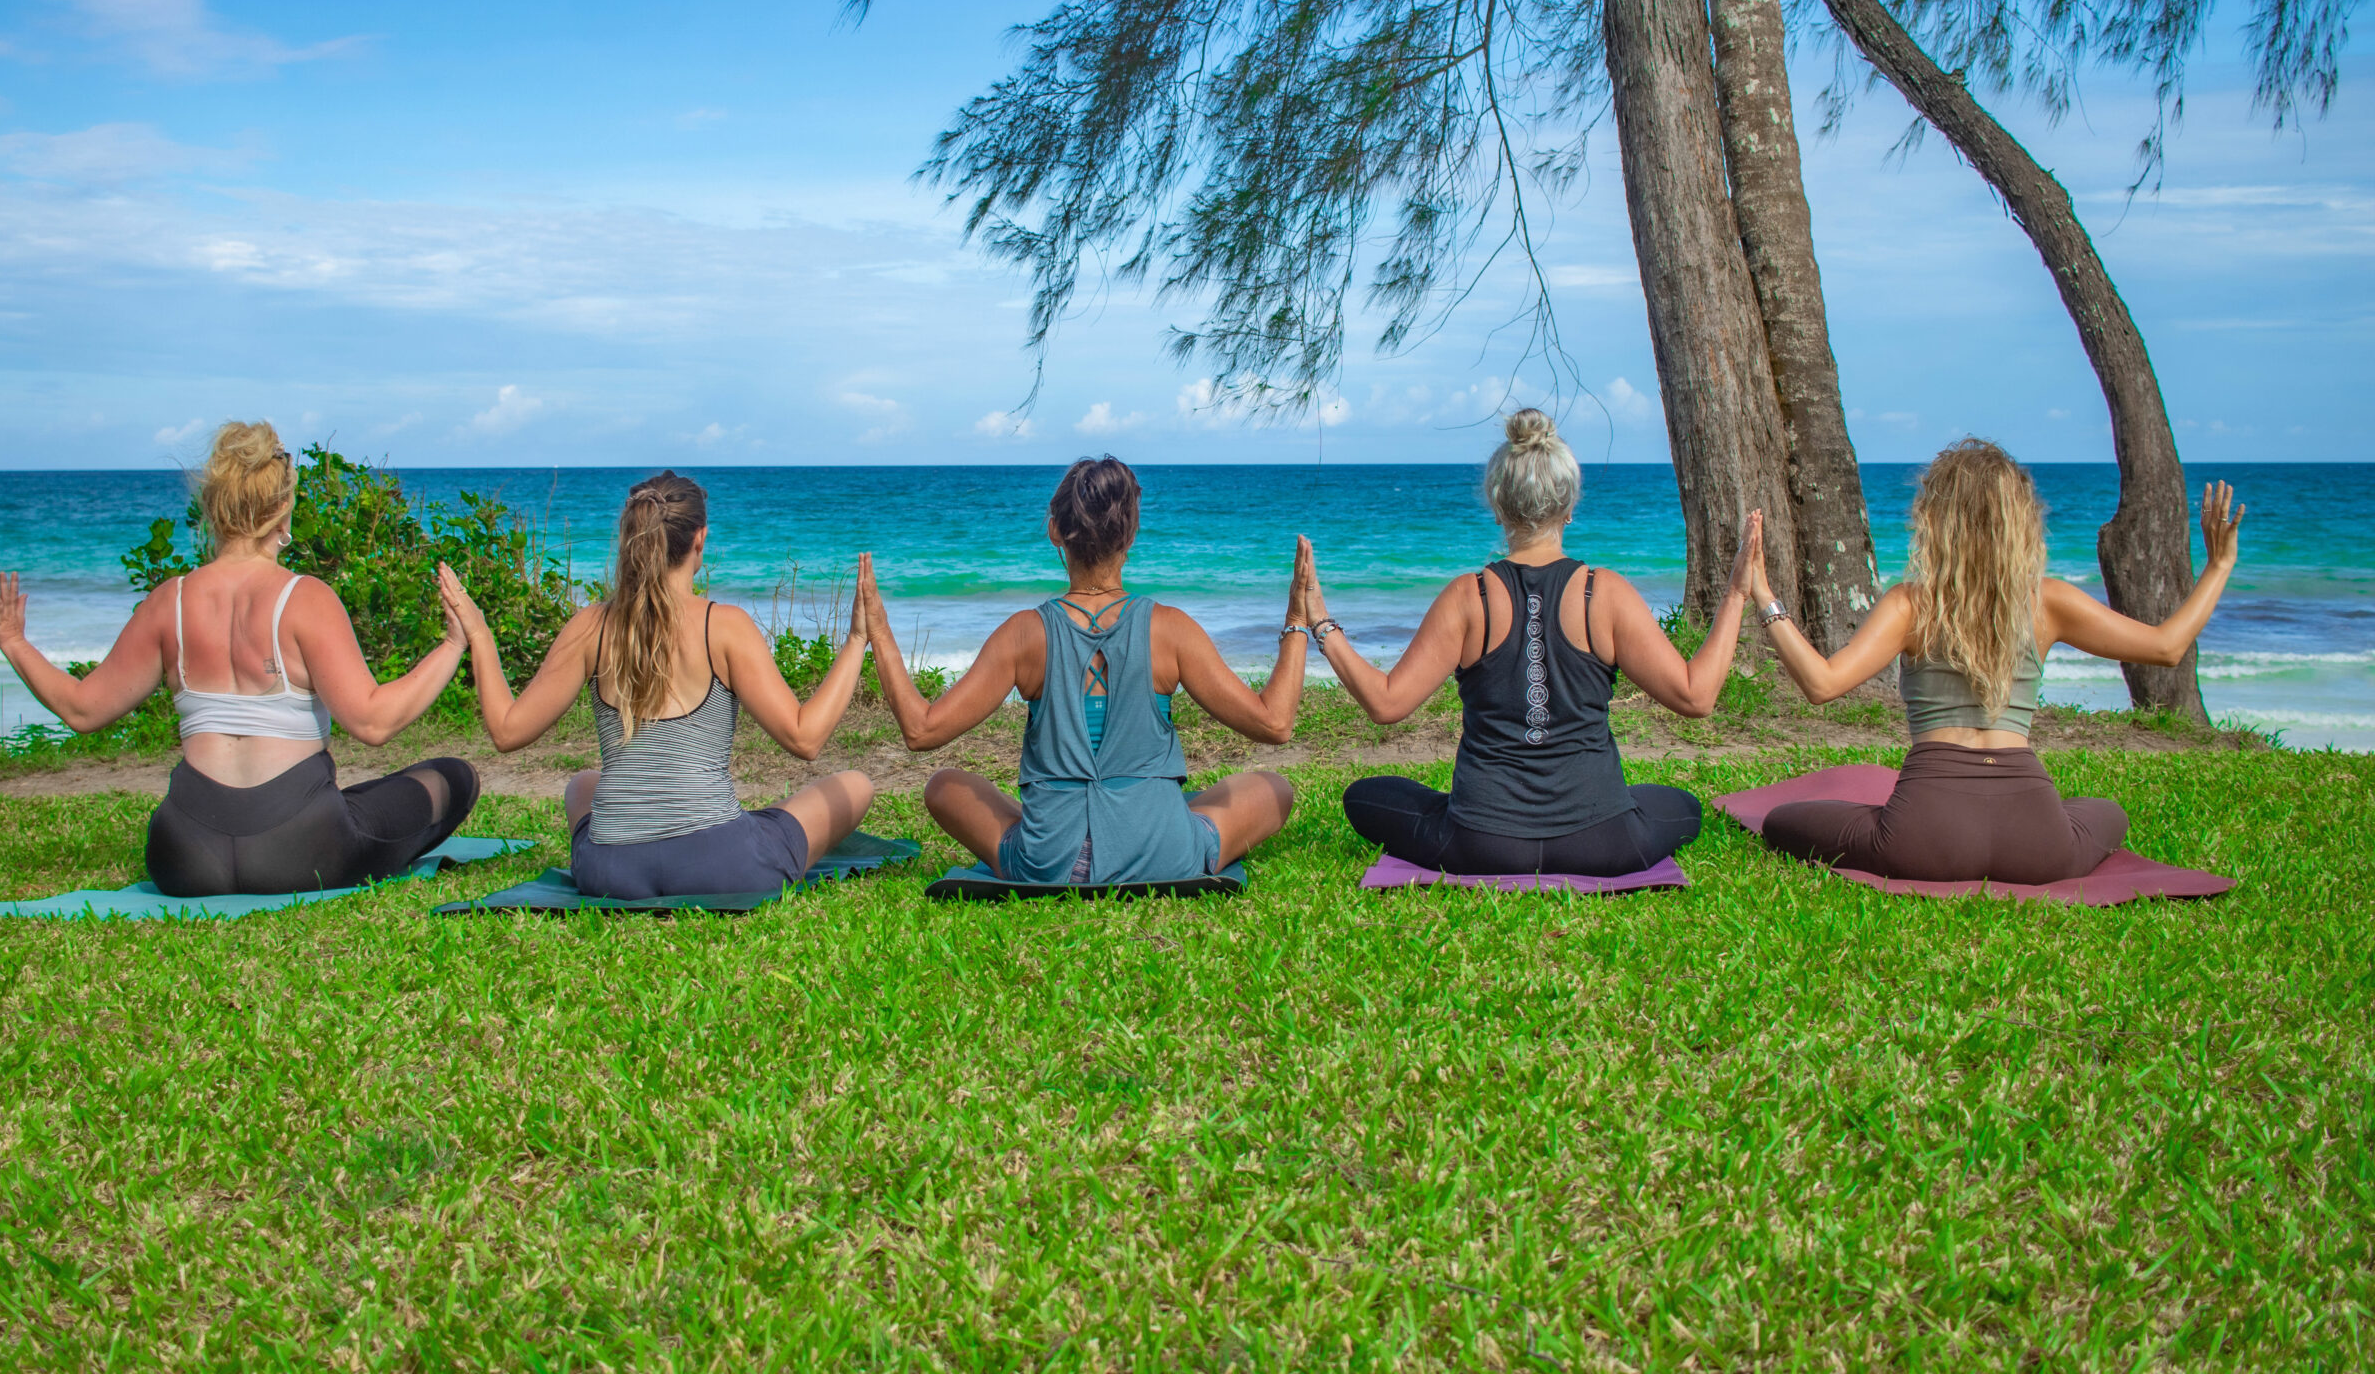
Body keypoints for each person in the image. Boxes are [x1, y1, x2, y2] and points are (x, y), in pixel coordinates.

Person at [0, 422, 480, 897]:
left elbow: (83, 710)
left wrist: (14, 642)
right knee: (453, 777)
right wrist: (452, 646)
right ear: (283, 509)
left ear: (213, 507)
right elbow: (373, 721)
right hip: (303, 848)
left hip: (183, 855)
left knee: (356, 799)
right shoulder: (304, 598)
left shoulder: (169, 602)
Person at [1743, 439, 2243, 883]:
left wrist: (1764, 594)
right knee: (2105, 811)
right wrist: (2219, 565)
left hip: (1922, 838)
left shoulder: (1911, 604)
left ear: (1936, 522)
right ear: (2021, 522)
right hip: (2040, 843)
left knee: (1783, 820)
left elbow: (1821, 683)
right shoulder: (2049, 602)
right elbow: (2167, 646)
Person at [1307, 408, 1761, 878]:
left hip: (1482, 844)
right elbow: (1696, 695)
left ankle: (1482, 812)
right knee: (1683, 806)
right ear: (1569, 507)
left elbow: (1386, 704)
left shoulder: (1469, 595)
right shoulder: (1604, 593)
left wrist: (1322, 624)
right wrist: (1736, 593)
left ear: (1498, 505)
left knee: (1363, 796)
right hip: (1605, 842)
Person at [854, 455, 1311, 883]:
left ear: (1055, 531)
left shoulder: (1023, 634)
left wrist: (879, 630)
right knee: (1273, 789)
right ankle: (1145, 817)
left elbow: (920, 731)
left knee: (943, 786)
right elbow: (1275, 723)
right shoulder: (1171, 630)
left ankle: (1081, 821)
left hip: (1050, 863)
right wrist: (1296, 621)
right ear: (1130, 536)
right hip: (1162, 856)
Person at [436, 469, 875, 899]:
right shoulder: (723, 626)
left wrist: (479, 636)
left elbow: (507, 731)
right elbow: (805, 737)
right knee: (856, 784)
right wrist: (857, 639)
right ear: (699, 539)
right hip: (723, 865)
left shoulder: (592, 626)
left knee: (581, 786)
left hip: (610, 871)